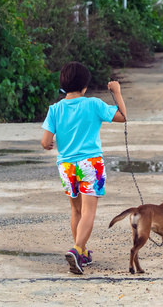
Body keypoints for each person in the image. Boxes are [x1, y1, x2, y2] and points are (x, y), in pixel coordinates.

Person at [40, 61, 126, 274]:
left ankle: (83, 252)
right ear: (85, 86)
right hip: (90, 164)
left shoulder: (55, 109)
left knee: (76, 209)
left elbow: (45, 142)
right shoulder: (93, 104)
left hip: (67, 165)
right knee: (89, 211)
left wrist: (50, 143)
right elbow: (122, 117)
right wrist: (117, 92)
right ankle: (77, 249)